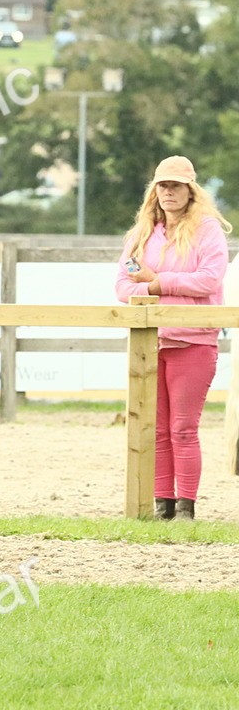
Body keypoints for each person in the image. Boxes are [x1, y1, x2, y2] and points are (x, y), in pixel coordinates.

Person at [115, 155, 231, 521]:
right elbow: (122, 285)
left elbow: (209, 280)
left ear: (190, 191)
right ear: (155, 190)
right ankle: (162, 504)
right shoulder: (141, 234)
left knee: (183, 428)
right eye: (163, 185)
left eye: (176, 186)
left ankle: (186, 506)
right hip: (151, 342)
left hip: (194, 339)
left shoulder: (207, 230)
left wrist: (155, 282)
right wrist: (156, 286)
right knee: (158, 429)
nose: (169, 192)